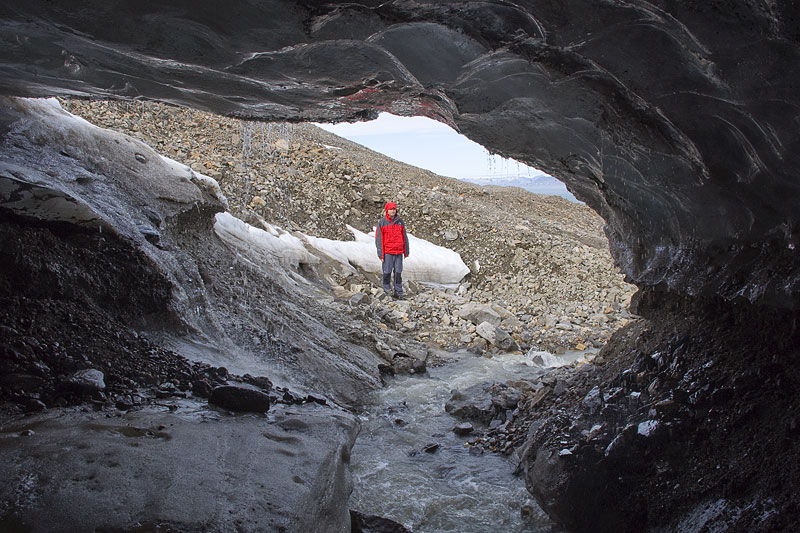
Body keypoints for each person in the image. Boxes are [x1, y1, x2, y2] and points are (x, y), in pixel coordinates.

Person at [375, 201, 409, 299]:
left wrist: (406, 251)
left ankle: (398, 291)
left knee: (398, 272)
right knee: (387, 271)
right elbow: (379, 239)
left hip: (398, 252)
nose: (392, 211)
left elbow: (404, 237)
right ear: (387, 210)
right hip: (388, 252)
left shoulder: (400, 222)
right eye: (390, 209)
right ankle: (387, 289)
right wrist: (380, 254)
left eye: (394, 209)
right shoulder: (382, 222)